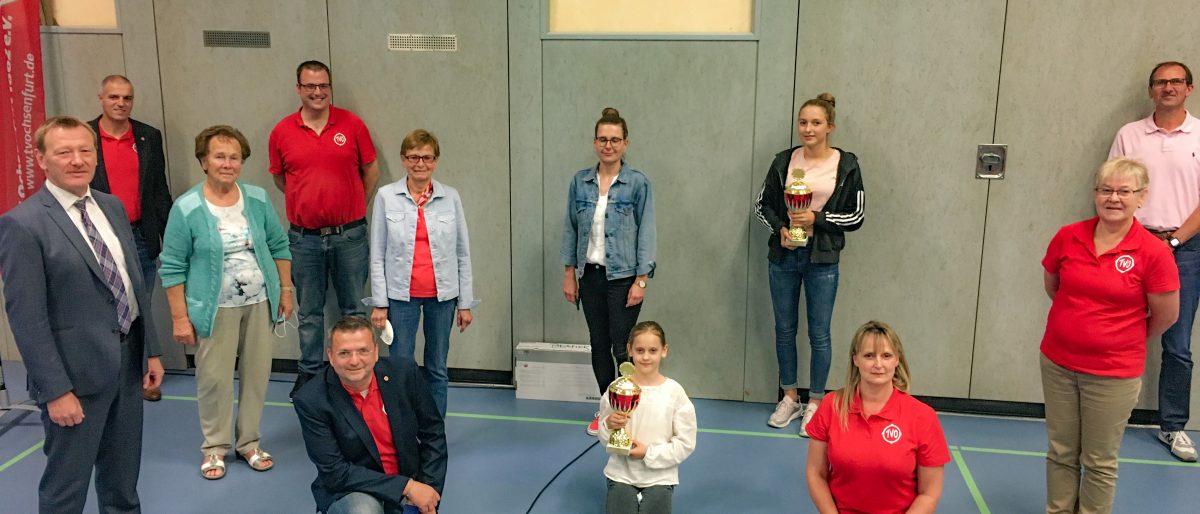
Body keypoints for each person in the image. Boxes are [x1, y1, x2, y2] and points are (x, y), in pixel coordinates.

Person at [0, 116, 165, 513]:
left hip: (127, 364)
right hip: (74, 378)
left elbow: (132, 282)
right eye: (64, 152)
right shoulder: (23, 225)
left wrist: (151, 351)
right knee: (66, 490)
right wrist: (56, 391)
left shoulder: (111, 206)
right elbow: (27, 319)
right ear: (41, 159)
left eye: (85, 150)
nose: (77, 160)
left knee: (123, 484)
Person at [1040, 158, 1179, 513]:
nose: (1113, 198)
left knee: (1099, 460)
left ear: (1141, 197)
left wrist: (1120, 337)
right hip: (1058, 363)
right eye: (1105, 190)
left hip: (1113, 373)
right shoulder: (1068, 236)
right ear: (1095, 194)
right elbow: (1054, 286)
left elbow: (1166, 315)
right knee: (1061, 451)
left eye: (1124, 191)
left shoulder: (1154, 252)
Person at [159, 125, 294, 479]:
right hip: (213, 309)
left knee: (256, 376)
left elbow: (279, 246)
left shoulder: (257, 198)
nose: (228, 163)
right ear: (204, 161)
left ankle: (249, 442)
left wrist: (285, 290)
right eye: (219, 156)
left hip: (260, 302)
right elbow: (172, 266)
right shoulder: (187, 207)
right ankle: (215, 448)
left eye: (235, 157)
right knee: (214, 380)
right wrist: (180, 318)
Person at [755, 93, 865, 436]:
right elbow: (762, 205)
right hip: (784, 256)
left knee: (819, 333)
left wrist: (817, 218)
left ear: (830, 126)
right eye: (803, 122)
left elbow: (856, 215)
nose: (808, 128)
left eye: (816, 122)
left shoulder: (846, 165)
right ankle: (789, 397)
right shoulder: (783, 161)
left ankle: (816, 402)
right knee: (784, 329)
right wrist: (781, 228)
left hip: (822, 260)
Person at [269, 60, 381, 399]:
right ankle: (310, 375)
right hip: (304, 239)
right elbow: (281, 179)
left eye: (323, 86)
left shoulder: (352, 124)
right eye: (310, 86)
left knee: (354, 309)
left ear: (330, 88)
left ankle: (359, 375)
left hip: (350, 236)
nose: (317, 92)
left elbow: (371, 170)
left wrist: (352, 204)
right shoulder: (282, 132)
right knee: (309, 313)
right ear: (299, 89)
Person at [1108, 60, 1200, 462]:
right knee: (1115, 330)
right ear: (1151, 91)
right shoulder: (1130, 135)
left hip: (1186, 250)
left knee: (1177, 344)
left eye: (1176, 81)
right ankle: (1105, 418)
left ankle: (1172, 427)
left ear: (1189, 88)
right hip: (1131, 244)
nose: (1168, 87)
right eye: (1161, 82)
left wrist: (1174, 240)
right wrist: (1142, 241)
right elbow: (1113, 189)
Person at [366, 129, 477, 418]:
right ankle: (403, 427)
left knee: (437, 367)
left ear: (436, 161)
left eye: (427, 158)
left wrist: (465, 303)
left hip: (443, 298)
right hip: (401, 298)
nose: (420, 164)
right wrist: (380, 303)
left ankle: (433, 430)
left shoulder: (450, 197)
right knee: (401, 367)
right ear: (403, 159)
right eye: (414, 157)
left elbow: (462, 253)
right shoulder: (386, 197)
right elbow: (377, 254)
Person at [561, 107, 656, 435]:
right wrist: (569, 273)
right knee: (598, 344)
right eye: (603, 139)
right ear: (594, 143)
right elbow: (570, 229)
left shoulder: (638, 183)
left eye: (615, 140)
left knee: (622, 346)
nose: (608, 145)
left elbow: (647, 232)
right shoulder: (580, 182)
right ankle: (607, 407)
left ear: (625, 143)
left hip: (624, 278)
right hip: (590, 276)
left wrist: (642, 279)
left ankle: (628, 410)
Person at [294, 316, 448, 514]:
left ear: (375, 352)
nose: (354, 361)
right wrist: (406, 487)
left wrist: (428, 491)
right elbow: (336, 473)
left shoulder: (404, 373)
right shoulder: (311, 399)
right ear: (331, 356)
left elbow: (433, 433)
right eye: (344, 353)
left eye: (363, 351)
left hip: (409, 480)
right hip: (354, 489)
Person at [805, 320, 949, 514]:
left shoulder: (923, 417)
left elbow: (929, 493)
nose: (878, 364)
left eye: (886, 355)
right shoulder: (831, 405)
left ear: (897, 360)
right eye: (869, 355)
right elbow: (816, 473)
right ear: (855, 359)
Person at [87, 74, 171, 402]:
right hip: (100, 238)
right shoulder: (86, 136)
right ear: (101, 98)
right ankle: (111, 376)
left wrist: (170, 235)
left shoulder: (149, 136)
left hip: (140, 236)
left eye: (127, 98)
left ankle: (145, 375)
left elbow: (159, 190)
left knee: (141, 308)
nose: (120, 103)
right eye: (114, 97)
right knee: (105, 308)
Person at [596, 321, 697, 514]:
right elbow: (604, 436)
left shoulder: (675, 392)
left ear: (664, 351)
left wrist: (648, 453)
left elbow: (686, 443)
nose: (645, 357)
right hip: (621, 473)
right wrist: (608, 425)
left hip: (660, 475)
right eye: (640, 350)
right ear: (630, 350)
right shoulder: (617, 388)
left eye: (653, 350)